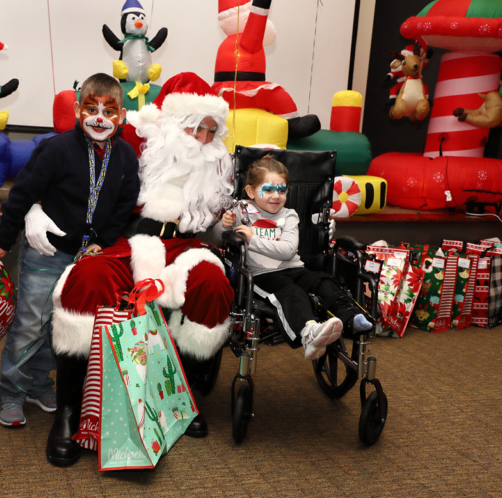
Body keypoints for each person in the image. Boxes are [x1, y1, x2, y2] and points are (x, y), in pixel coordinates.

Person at [48, 72, 234, 467]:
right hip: (130, 238)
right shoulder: (138, 143)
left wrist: (229, 225)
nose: (202, 139)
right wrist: (35, 207)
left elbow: (214, 221)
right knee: (88, 278)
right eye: (194, 127)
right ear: (173, 125)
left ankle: (183, 397)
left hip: (187, 244)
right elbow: (83, 173)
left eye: (210, 130)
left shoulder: (218, 165)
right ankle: (69, 410)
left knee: (213, 284)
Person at [0, 73, 140, 428]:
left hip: (88, 256)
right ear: (76, 109)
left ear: (122, 116)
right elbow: (22, 193)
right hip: (48, 250)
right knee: (30, 322)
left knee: (59, 324)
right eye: (91, 108)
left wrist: (104, 241)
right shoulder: (55, 149)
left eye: (110, 110)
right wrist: (4, 237)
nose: (100, 118)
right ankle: (11, 390)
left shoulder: (126, 157)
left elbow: (124, 204)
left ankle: (39, 382)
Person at [216, 155, 373, 360]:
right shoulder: (242, 211)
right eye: (269, 189)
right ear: (251, 191)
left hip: (294, 268)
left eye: (282, 190)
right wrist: (225, 225)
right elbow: (218, 237)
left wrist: (253, 239)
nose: (276, 195)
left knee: (323, 282)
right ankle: (309, 334)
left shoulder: (289, 215)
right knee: (292, 292)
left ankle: (351, 320)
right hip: (261, 276)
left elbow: (288, 250)